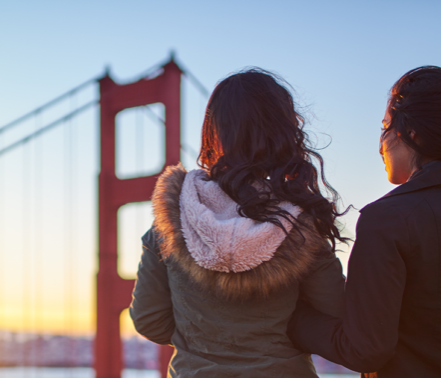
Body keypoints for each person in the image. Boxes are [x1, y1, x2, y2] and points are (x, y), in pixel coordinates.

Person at [129, 68, 349, 377]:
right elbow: (336, 311)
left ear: (214, 131)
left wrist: (203, 339)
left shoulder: (173, 220)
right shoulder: (298, 222)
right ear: (285, 130)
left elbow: (149, 320)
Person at [288, 66, 441, 378]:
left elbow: (366, 349)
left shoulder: (388, 220)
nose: (380, 146)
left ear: (411, 132)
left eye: (385, 127)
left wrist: (292, 317)